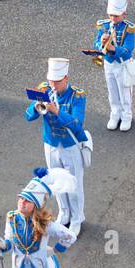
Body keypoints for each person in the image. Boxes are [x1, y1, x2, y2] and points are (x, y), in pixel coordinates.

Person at [24, 58, 89, 236]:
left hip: (70, 145)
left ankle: (76, 218)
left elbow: (77, 124)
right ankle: (65, 213)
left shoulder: (77, 96)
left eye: (57, 81)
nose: (53, 85)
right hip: (51, 144)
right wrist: (36, 107)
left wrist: (55, 110)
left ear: (66, 78)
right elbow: (28, 116)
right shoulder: (44, 89)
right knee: (56, 181)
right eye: (51, 80)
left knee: (74, 183)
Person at [94, 0, 135, 131]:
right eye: (111, 15)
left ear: (124, 14)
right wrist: (101, 43)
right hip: (108, 63)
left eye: (116, 16)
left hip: (123, 63)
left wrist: (114, 49)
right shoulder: (104, 25)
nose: (113, 18)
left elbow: (128, 48)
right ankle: (115, 114)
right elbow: (96, 43)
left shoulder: (128, 28)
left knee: (124, 91)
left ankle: (126, 116)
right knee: (112, 90)